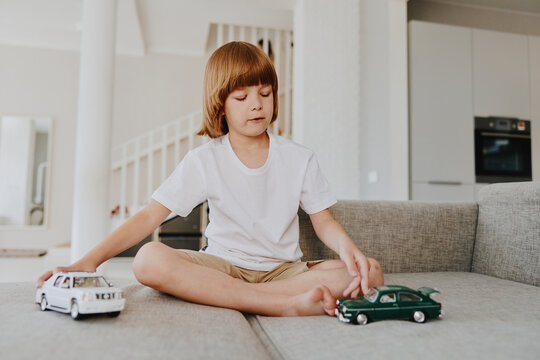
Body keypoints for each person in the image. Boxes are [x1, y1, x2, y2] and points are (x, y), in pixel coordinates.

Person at [37, 41, 384, 317]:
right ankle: (278, 305)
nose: (256, 105)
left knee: (371, 273)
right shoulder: (204, 159)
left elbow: (323, 221)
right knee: (147, 259)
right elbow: (149, 216)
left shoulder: (299, 157)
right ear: (221, 105)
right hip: (222, 267)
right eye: (242, 97)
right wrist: (88, 261)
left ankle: (255, 299)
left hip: (284, 271)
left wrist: (349, 250)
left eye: (265, 93)